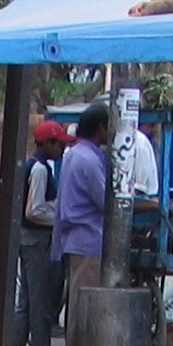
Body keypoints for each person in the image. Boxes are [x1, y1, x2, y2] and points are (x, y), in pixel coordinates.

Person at [7, 119, 67, 346]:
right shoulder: (40, 171)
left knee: (27, 304)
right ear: (48, 144)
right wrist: (59, 220)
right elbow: (34, 210)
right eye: (59, 143)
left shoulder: (36, 167)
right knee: (39, 305)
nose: (63, 148)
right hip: (37, 240)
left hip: (28, 240)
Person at [52, 103, 112, 300]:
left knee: (79, 298)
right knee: (85, 302)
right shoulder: (88, 160)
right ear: (102, 128)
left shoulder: (77, 154)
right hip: (88, 238)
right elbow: (106, 202)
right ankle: (79, 333)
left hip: (78, 239)